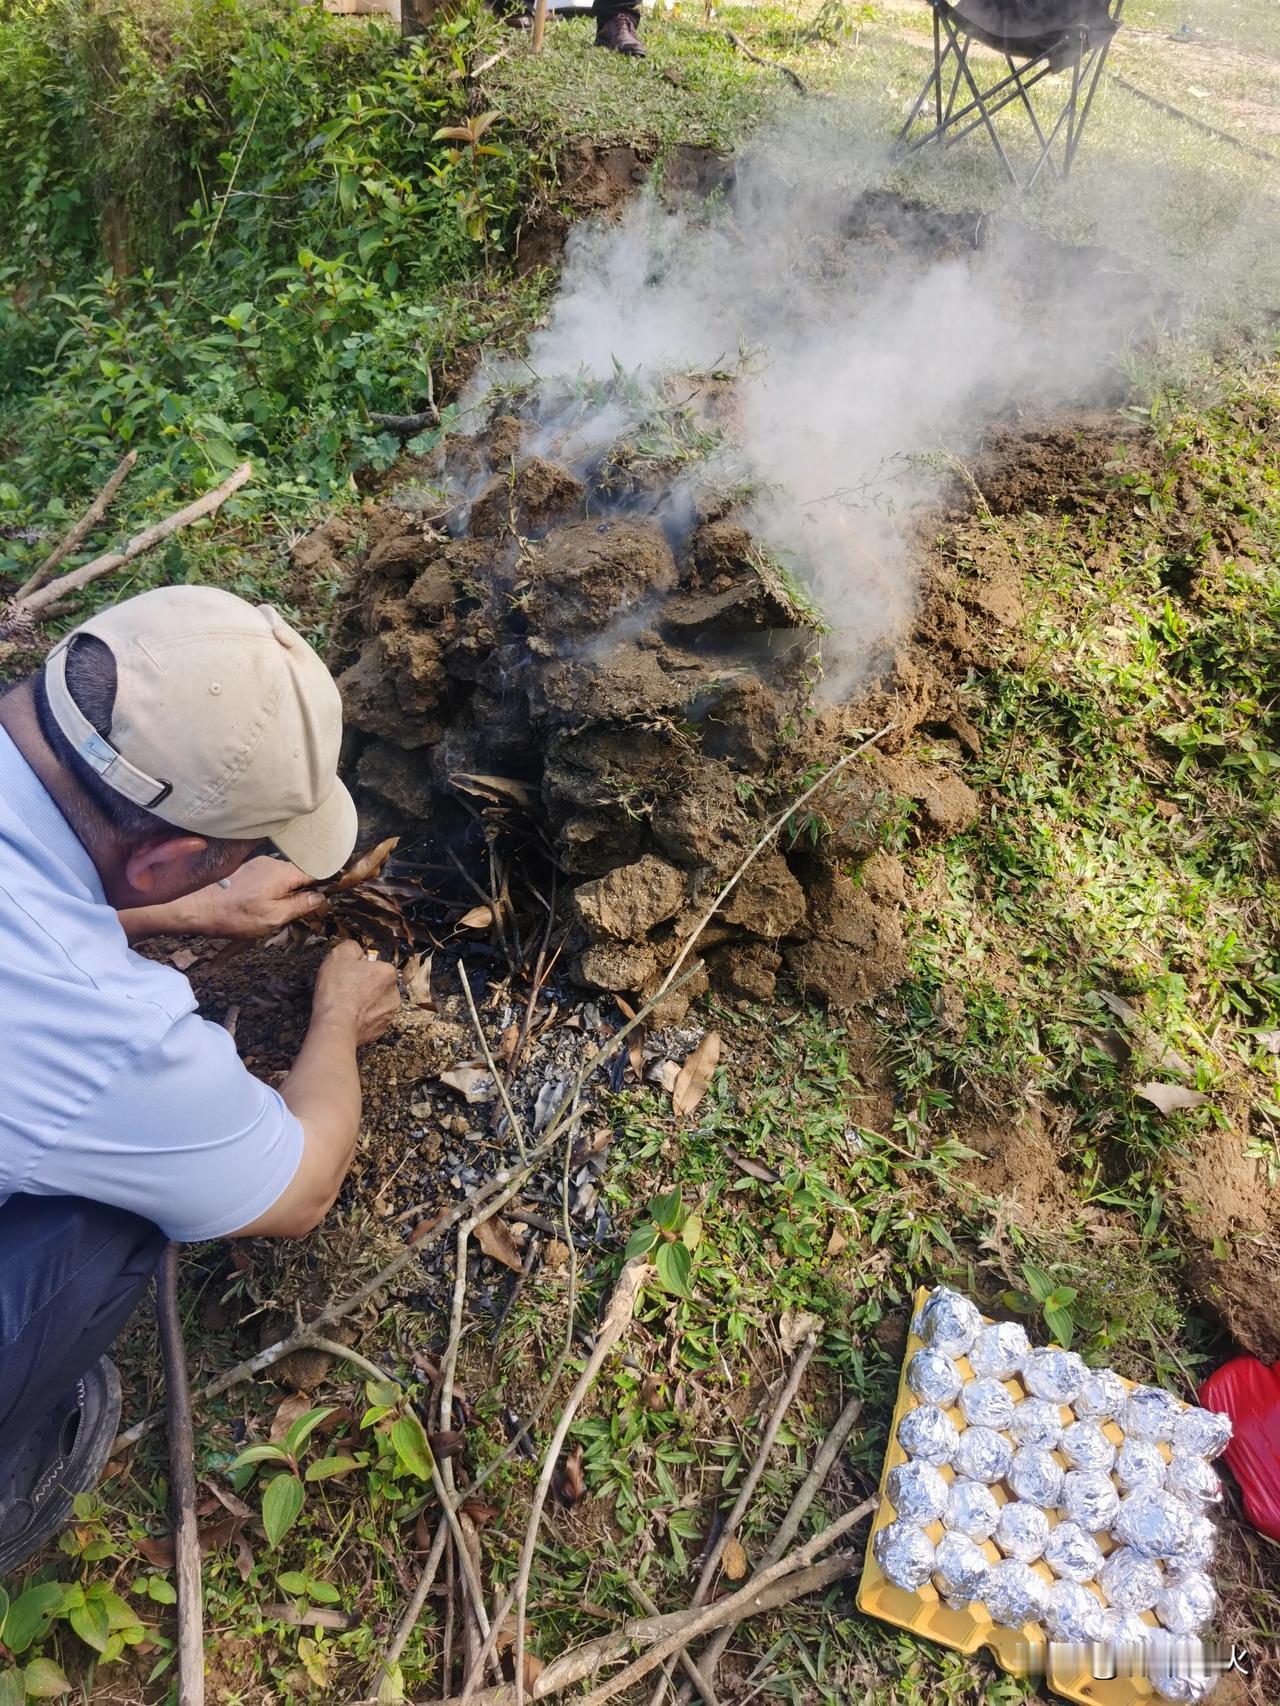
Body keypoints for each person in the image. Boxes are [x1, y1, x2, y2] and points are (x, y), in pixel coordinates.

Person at [0, 585, 402, 1577]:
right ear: (166, 854)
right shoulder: (105, 1042)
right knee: (105, 1221)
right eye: (240, 847)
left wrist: (181, 905)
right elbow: (301, 1184)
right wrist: (339, 1015)